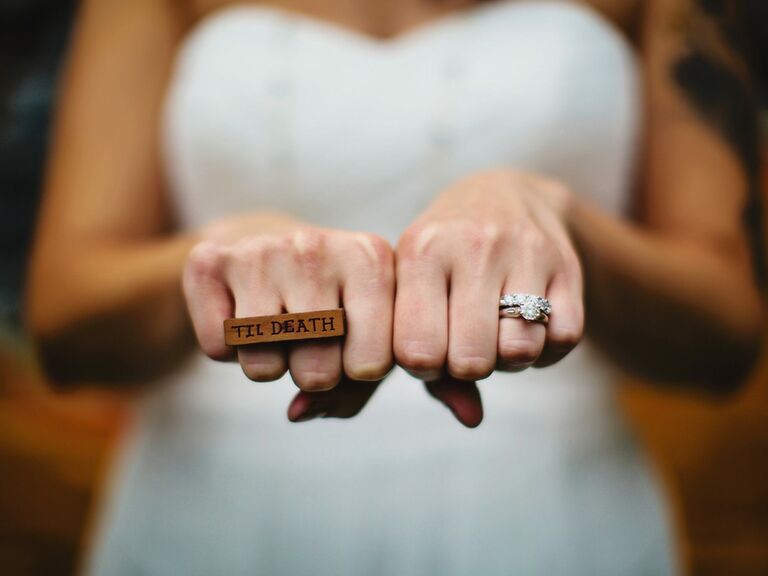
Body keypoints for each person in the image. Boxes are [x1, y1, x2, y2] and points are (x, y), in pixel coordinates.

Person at [25, 0, 765, 574]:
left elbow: (727, 330)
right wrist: (217, 259)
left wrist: (564, 225)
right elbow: (63, 323)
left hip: (544, 516)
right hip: (209, 515)